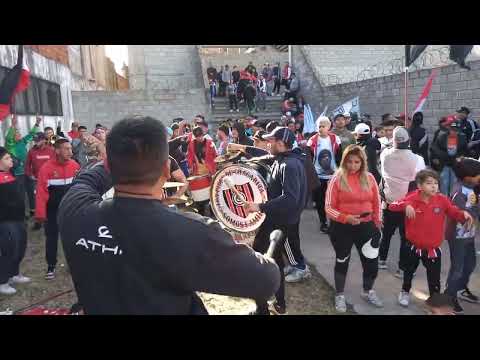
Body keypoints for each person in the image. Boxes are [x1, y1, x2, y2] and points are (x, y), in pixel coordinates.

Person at [57, 115, 280, 315]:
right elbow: (267, 279)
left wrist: (118, 159)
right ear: (166, 170)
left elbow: (85, 181)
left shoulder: (74, 211)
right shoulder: (190, 233)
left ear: (111, 165)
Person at [244, 127, 308, 315]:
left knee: (260, 262)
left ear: (280, 143)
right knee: (274, 263)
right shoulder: (287, 160)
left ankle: (263, 308)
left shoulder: (289, 165)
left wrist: (260, 206)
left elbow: (290, 198)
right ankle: (278, 305)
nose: (267, 144)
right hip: (279, 222)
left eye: (270, 141)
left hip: (278, 224)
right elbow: (267, 157)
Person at [389, 169, 473, 308]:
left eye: (436, 183)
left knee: (434, 279)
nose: (434, 186)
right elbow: (393, 206)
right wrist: (406, 205)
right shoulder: (411, 198)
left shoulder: (442, 200)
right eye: (429, 183)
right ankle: (405, 291)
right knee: (408, 272)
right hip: (413, 246)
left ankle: (434, 301)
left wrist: (463, 214)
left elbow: (454, 212)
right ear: (420, 186)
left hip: (433, 249)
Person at [325, 145, 383, 312]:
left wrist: (378, 221)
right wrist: (345, 218)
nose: (353, 165)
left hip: (367, 227)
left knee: (371, 262)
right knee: (342, 260)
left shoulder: (370, 177)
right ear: (344, 161)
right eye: (349, 161)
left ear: (362, 162)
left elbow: (377, 202)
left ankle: (368, 291)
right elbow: (328, 207)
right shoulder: (337, 178)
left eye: (357, 162)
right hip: (342, 227)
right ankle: (340, 295)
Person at [379, 127, 422, 276]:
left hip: (389, 202)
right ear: (409, 140)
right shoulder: (418, 159)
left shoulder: (385, 154)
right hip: (406, 205)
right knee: (406, 238)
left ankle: (381, 260)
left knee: (386, 234)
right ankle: (402, 269)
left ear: (393, 141)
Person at [35, 138, 80, 280]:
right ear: (57, 150)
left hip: (70, 211)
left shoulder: (74, 165)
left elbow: (79, 188)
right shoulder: (46, 168)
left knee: (73, 238)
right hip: (52, 211)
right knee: (52, 238)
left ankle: (74, 265)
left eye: (70, 149)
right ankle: (51, 266)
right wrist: (40, 214)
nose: (70, 152)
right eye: (66, 149)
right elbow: (41, 193)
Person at [444, 158, 480, 313]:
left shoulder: (473, 187)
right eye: (478, 174)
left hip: (469, 234)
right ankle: (450, 295)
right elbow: (460, 214)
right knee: (457, 268)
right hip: (458, 236)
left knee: (470, 264)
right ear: (467, 176)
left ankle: (460, 288)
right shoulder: (459, 192)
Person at [0, 147, 31, 295]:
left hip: (19, 218)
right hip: (6, 221)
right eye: (6, 158)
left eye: (9, 157)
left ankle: (14, 273)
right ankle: (3, 281)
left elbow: (18, 161)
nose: (10, 159)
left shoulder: (10, 173)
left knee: (20, 247)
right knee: (9, 250)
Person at [307, 116, 342, 233]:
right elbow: (309, 158)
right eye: (319, 126)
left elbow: (340, 155)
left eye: (323, 126)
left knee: (334, 200)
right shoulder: (312, 140)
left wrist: (339, 170)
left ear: (329, 127)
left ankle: (334, 221)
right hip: (318, 176)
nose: (320, 128)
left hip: (333, 176)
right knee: (320, 201)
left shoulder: (335, 139)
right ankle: (323, 222)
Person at [6, 115, 41, 210]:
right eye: (17, 133)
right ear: (13, 136)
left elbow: (31, 135)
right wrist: (13, 125)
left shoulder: (22, 142)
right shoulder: (10, 145)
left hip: (27, 172)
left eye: (19, 133)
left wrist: (37, 124)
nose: (19, 134)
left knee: (31, 193)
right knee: (20, 195)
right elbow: (9, 137)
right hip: (17, 174)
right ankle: (22, 214)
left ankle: (33, 212)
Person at [430, 115, 468, 197]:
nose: (454, 132)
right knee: (444, 185)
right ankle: (445, 202)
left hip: (456, 166)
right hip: (444, 165)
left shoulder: (462, 138)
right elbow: (435, 149)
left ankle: (452, 202)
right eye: (452, 130)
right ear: (449, 128)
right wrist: (436, 158)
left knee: (454, 186)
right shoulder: (442, 137)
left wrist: (462, 157)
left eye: (456, 130)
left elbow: (465, 150)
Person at [24, 132, 56, 229]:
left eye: (38, 140)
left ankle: (53, 220)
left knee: (51, 201)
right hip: (37, 181)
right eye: (35, 141)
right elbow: (27, 166)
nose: (36, 142)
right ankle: (39, 222)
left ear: (44, 140)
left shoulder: (51, 150)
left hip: (50, 181)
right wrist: (30, 175)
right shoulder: (31, 151)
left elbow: (56, 163)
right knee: (39, 202)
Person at [186, 126, 217, 216]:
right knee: (198, 194)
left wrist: (213, 168)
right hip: (198, 171)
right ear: (195, 136)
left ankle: (213, 212)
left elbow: (215, 155)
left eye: (201, 136)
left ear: (203, 135)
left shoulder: (210, 142)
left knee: (212, 195)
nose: (200, 138)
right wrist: (190, 166)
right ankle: (201, 211)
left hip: (209, 170)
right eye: (197, 136)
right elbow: (189, 157)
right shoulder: (191, 144)